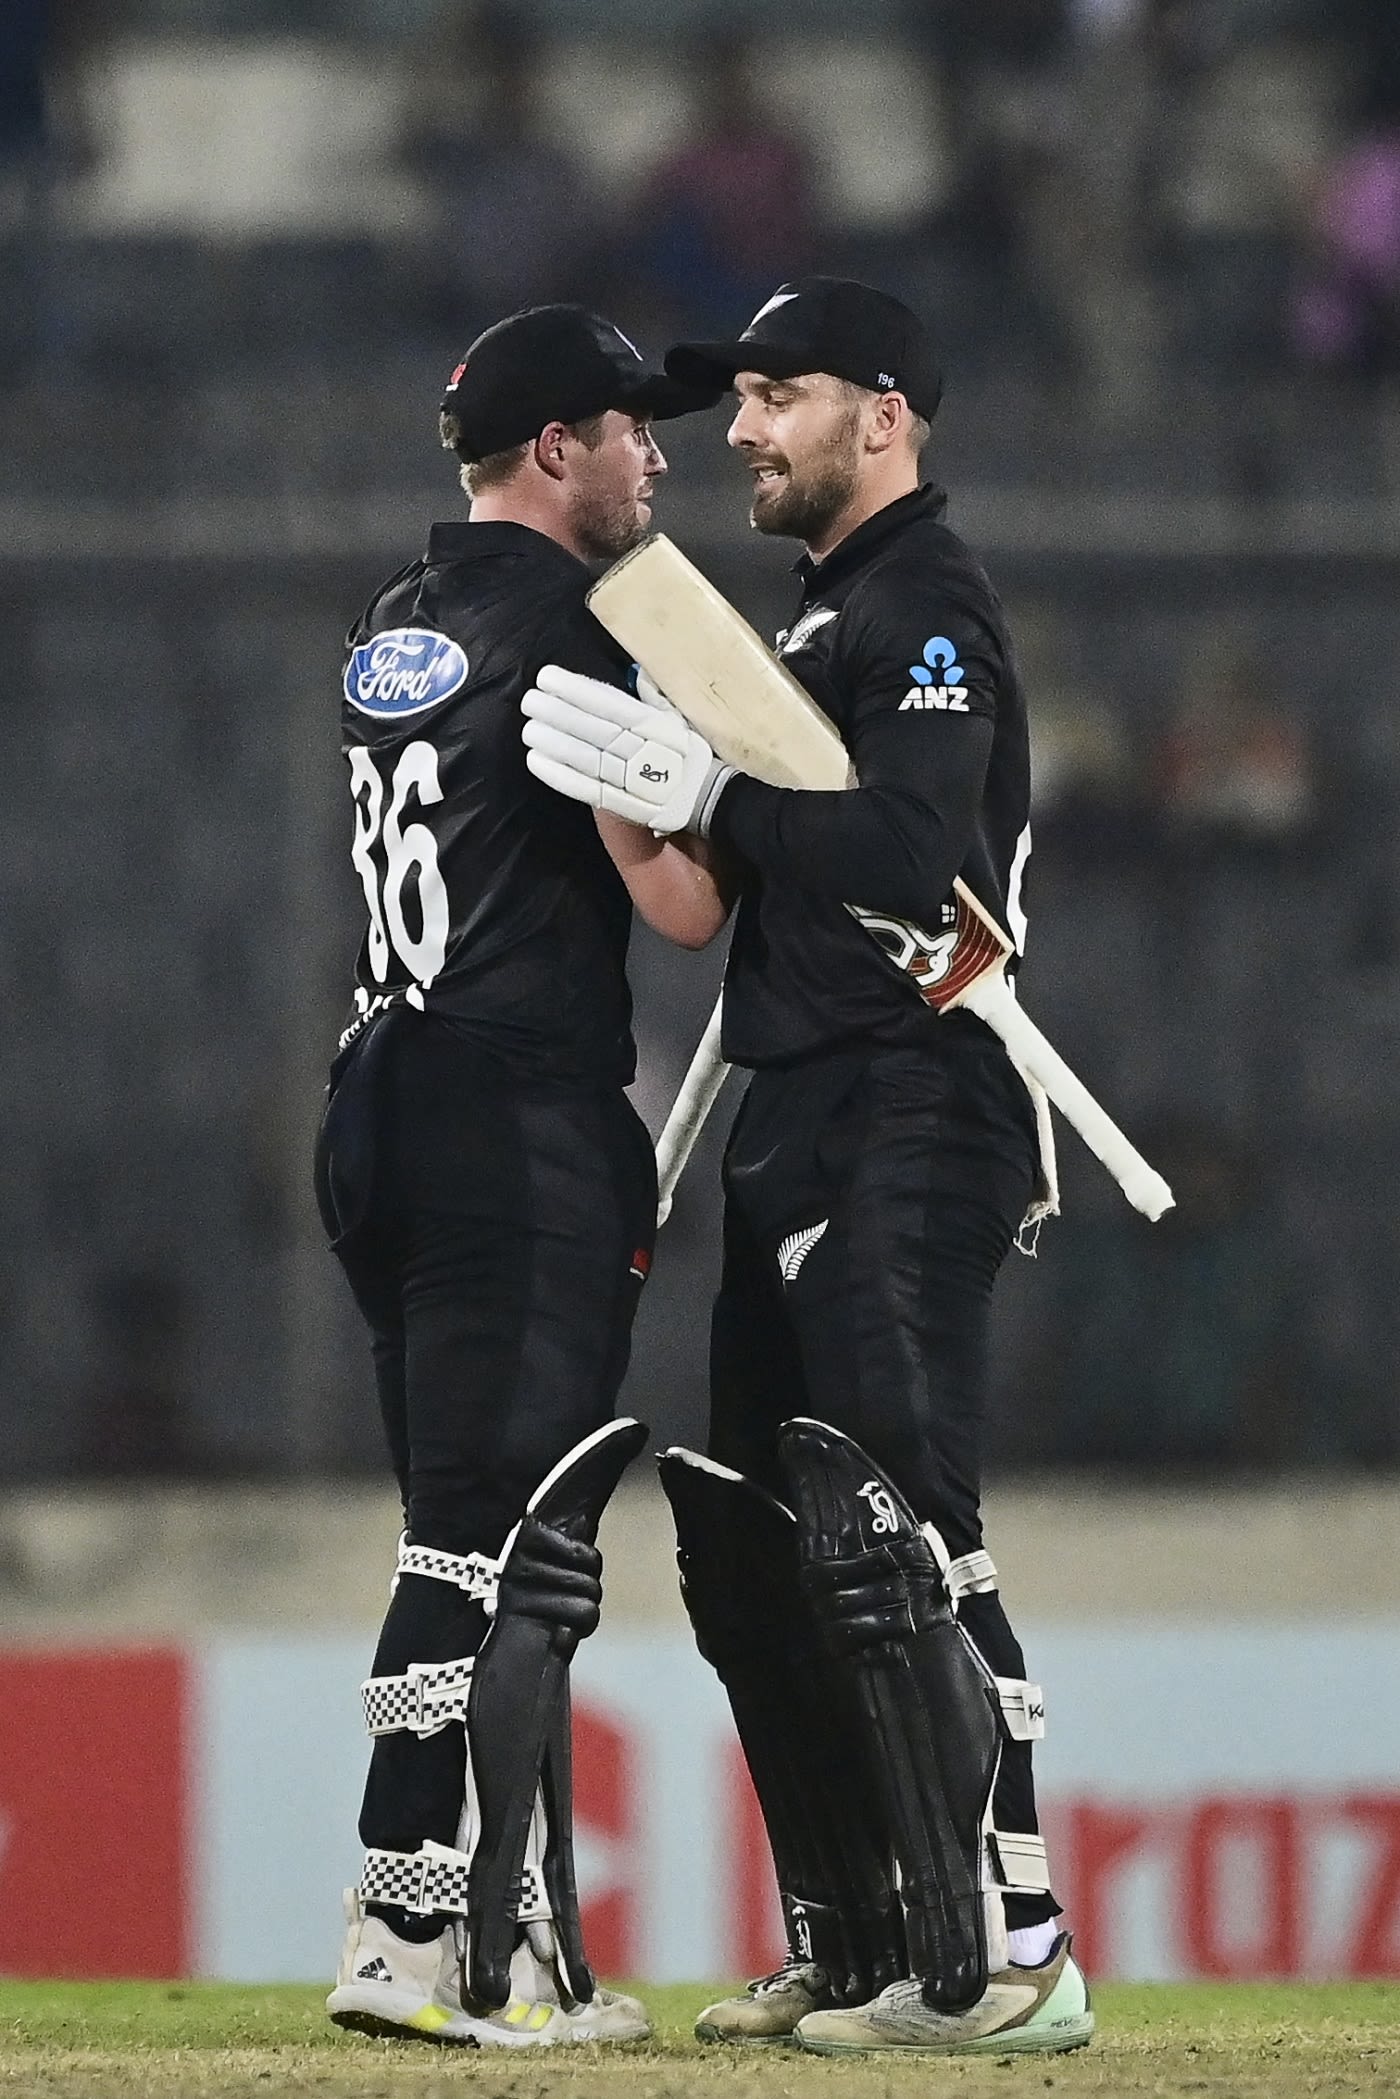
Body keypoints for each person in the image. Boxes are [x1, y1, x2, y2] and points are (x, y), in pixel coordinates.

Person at [520, 277, 1092, 2057]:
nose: (741, 431)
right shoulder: (833, 611)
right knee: (772, 1548)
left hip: (914, 1100)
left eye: (775, 396)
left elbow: (916, 847)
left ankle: (1013, 1952)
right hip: (805, 1103)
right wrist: (655, 816)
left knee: (906, 1525)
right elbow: (738, 903)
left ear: (886, 414)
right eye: (737, 401)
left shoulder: (925, 603)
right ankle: (868, 1945)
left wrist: (715, 794)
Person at [313, 303, 717, 2049]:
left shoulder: (400, 618)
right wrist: (732, 798)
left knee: (469, 1527)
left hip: (381, 1095)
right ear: (555, 450)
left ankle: (513, 1923)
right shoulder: (589, 626)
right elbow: (685, 905)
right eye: (632, 428)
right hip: (512, 1116)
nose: (660, 453)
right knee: (500, 1542)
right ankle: (409, 1919)